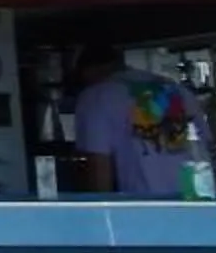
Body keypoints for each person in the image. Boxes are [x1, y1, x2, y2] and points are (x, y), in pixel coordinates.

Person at [70, 44, 197, 197]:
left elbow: (99, 168)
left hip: (143, 208)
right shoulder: (178, 89)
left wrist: (100, 214)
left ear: (87, 71)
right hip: (197, 199)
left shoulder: (96, 96)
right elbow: (206, 148)